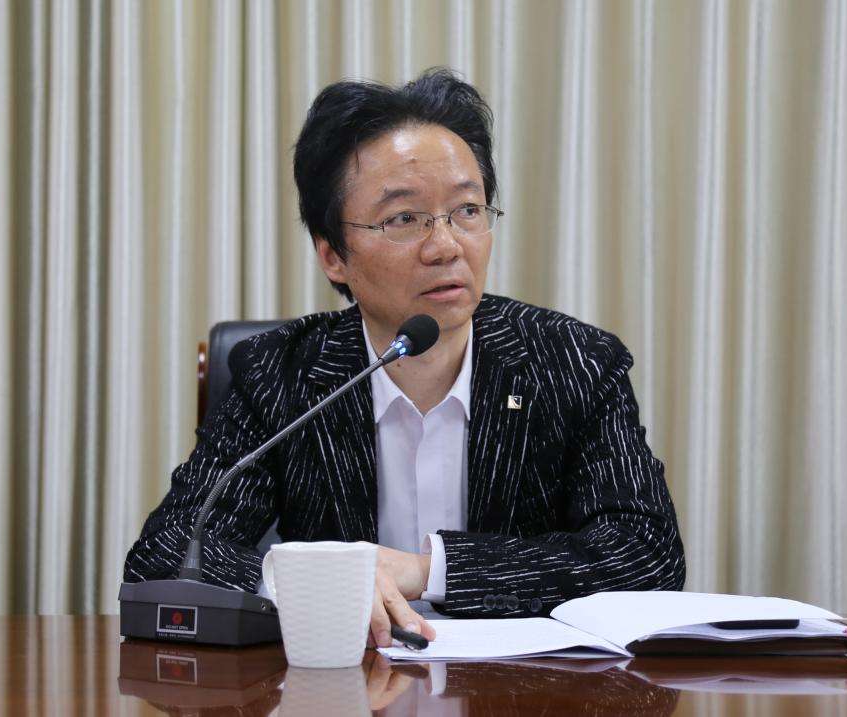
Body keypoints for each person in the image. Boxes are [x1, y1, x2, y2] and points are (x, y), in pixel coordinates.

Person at [124, 68, 685, 648]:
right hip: (342, 682)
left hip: (525, 687)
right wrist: (307, 579)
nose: (446, 246)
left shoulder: (574, 363)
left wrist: (428, 570)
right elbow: (167, 554)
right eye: (403, 219)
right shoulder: (281, 375)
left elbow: (647, 555)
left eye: (467, 210)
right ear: (333, 255)